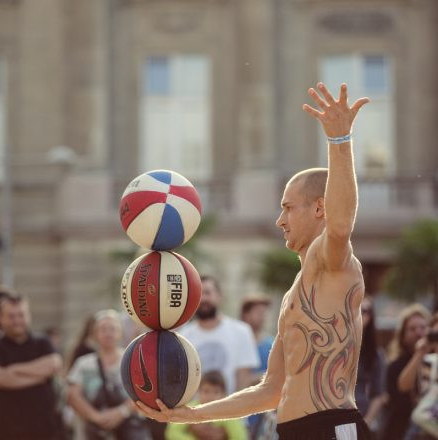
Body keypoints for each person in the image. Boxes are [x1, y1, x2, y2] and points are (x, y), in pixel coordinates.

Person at [136, 82, 372, 440]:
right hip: (295, 431)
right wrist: (191, 414)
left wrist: (340, 142)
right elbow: (269, 391)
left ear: (319, 208)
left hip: (332, 429)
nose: (280, 220)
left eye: (288, 208)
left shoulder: (332, 260)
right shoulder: (295, 293)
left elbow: (340, 226)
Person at [67, 309, 148, 440]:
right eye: (103, 329)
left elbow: (145, 393)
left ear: (121, 332)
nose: (108, 333)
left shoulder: (134, 360)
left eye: (112, 328)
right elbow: (72, 395)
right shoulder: (83, 364)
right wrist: (96, 416)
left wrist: (121, 412)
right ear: (94, 334)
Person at [178, 274, 260, 394]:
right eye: (198, 294)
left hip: (229, 410)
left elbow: (244, 381)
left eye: (207, 292)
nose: (203, 299)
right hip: (193, 410)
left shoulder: (241, 331)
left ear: (219, 296)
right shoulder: (182, 336)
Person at [0, 292, 64, 440]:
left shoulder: (43, 342)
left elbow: (54, 364)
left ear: (28, 316)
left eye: (21, 315)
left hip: (46, 428)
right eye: (11, 316)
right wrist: (39, 376)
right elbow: (1, 379)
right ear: (0, 318)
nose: (17, 321)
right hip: (6, 430)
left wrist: (12, 371)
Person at [380, 303, 430, 440]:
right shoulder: (395, 366)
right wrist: (419, 354)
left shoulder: (434, 360)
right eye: (412, 329)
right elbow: (402, 389)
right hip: (401, 430)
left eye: (423, 327)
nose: (419, 333)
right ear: (403, 335)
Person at [165, 370, 248, 440]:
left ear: (223, 394)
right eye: (206, 391)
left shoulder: (228, 413)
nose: (210, 396)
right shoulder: (190, 408)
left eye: (216, 392)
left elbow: (240, 437)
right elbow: (172, 433)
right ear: (198, 392)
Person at [240, 294, 276, 438]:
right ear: (246, 314)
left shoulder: (271, 345)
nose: (263, 317)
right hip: (237, 413)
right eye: (258, 313)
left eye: (264, 313)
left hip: (262, 416)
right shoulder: (237, 343)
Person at [354, 295, 386, 437]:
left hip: (358, 419)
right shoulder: (333, 346)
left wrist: (366, 422)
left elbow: (378, 395)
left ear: (371, 317)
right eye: (356, 307)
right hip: (329, 418)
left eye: (365, 310)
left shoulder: (375, 355)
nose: (360, 313)